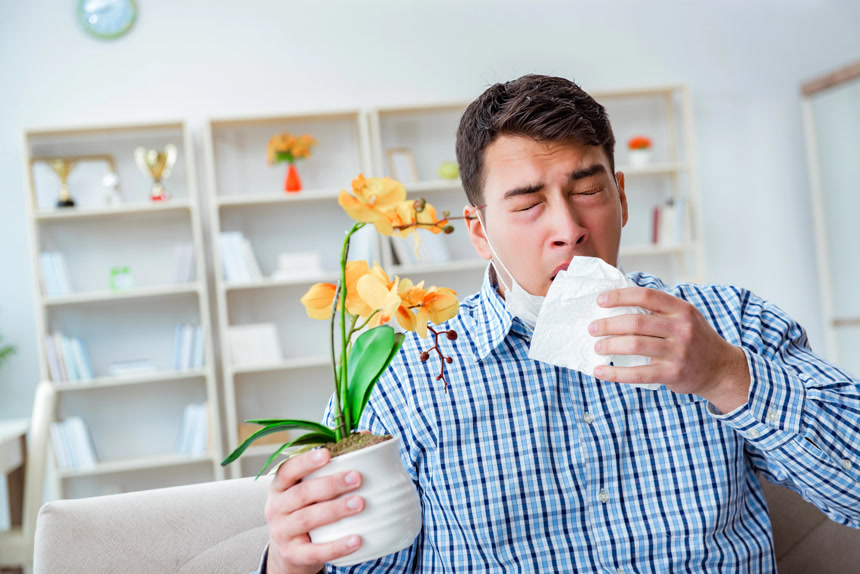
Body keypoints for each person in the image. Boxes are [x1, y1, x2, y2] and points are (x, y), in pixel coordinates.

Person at [256, 74, 860, 573]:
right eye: (526, 205)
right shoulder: (404, 372)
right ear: (478, 232)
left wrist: (726, 374)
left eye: (588, 189)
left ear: (621, 198)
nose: (568, 227)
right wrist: (292, 562)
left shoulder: (729, 322)